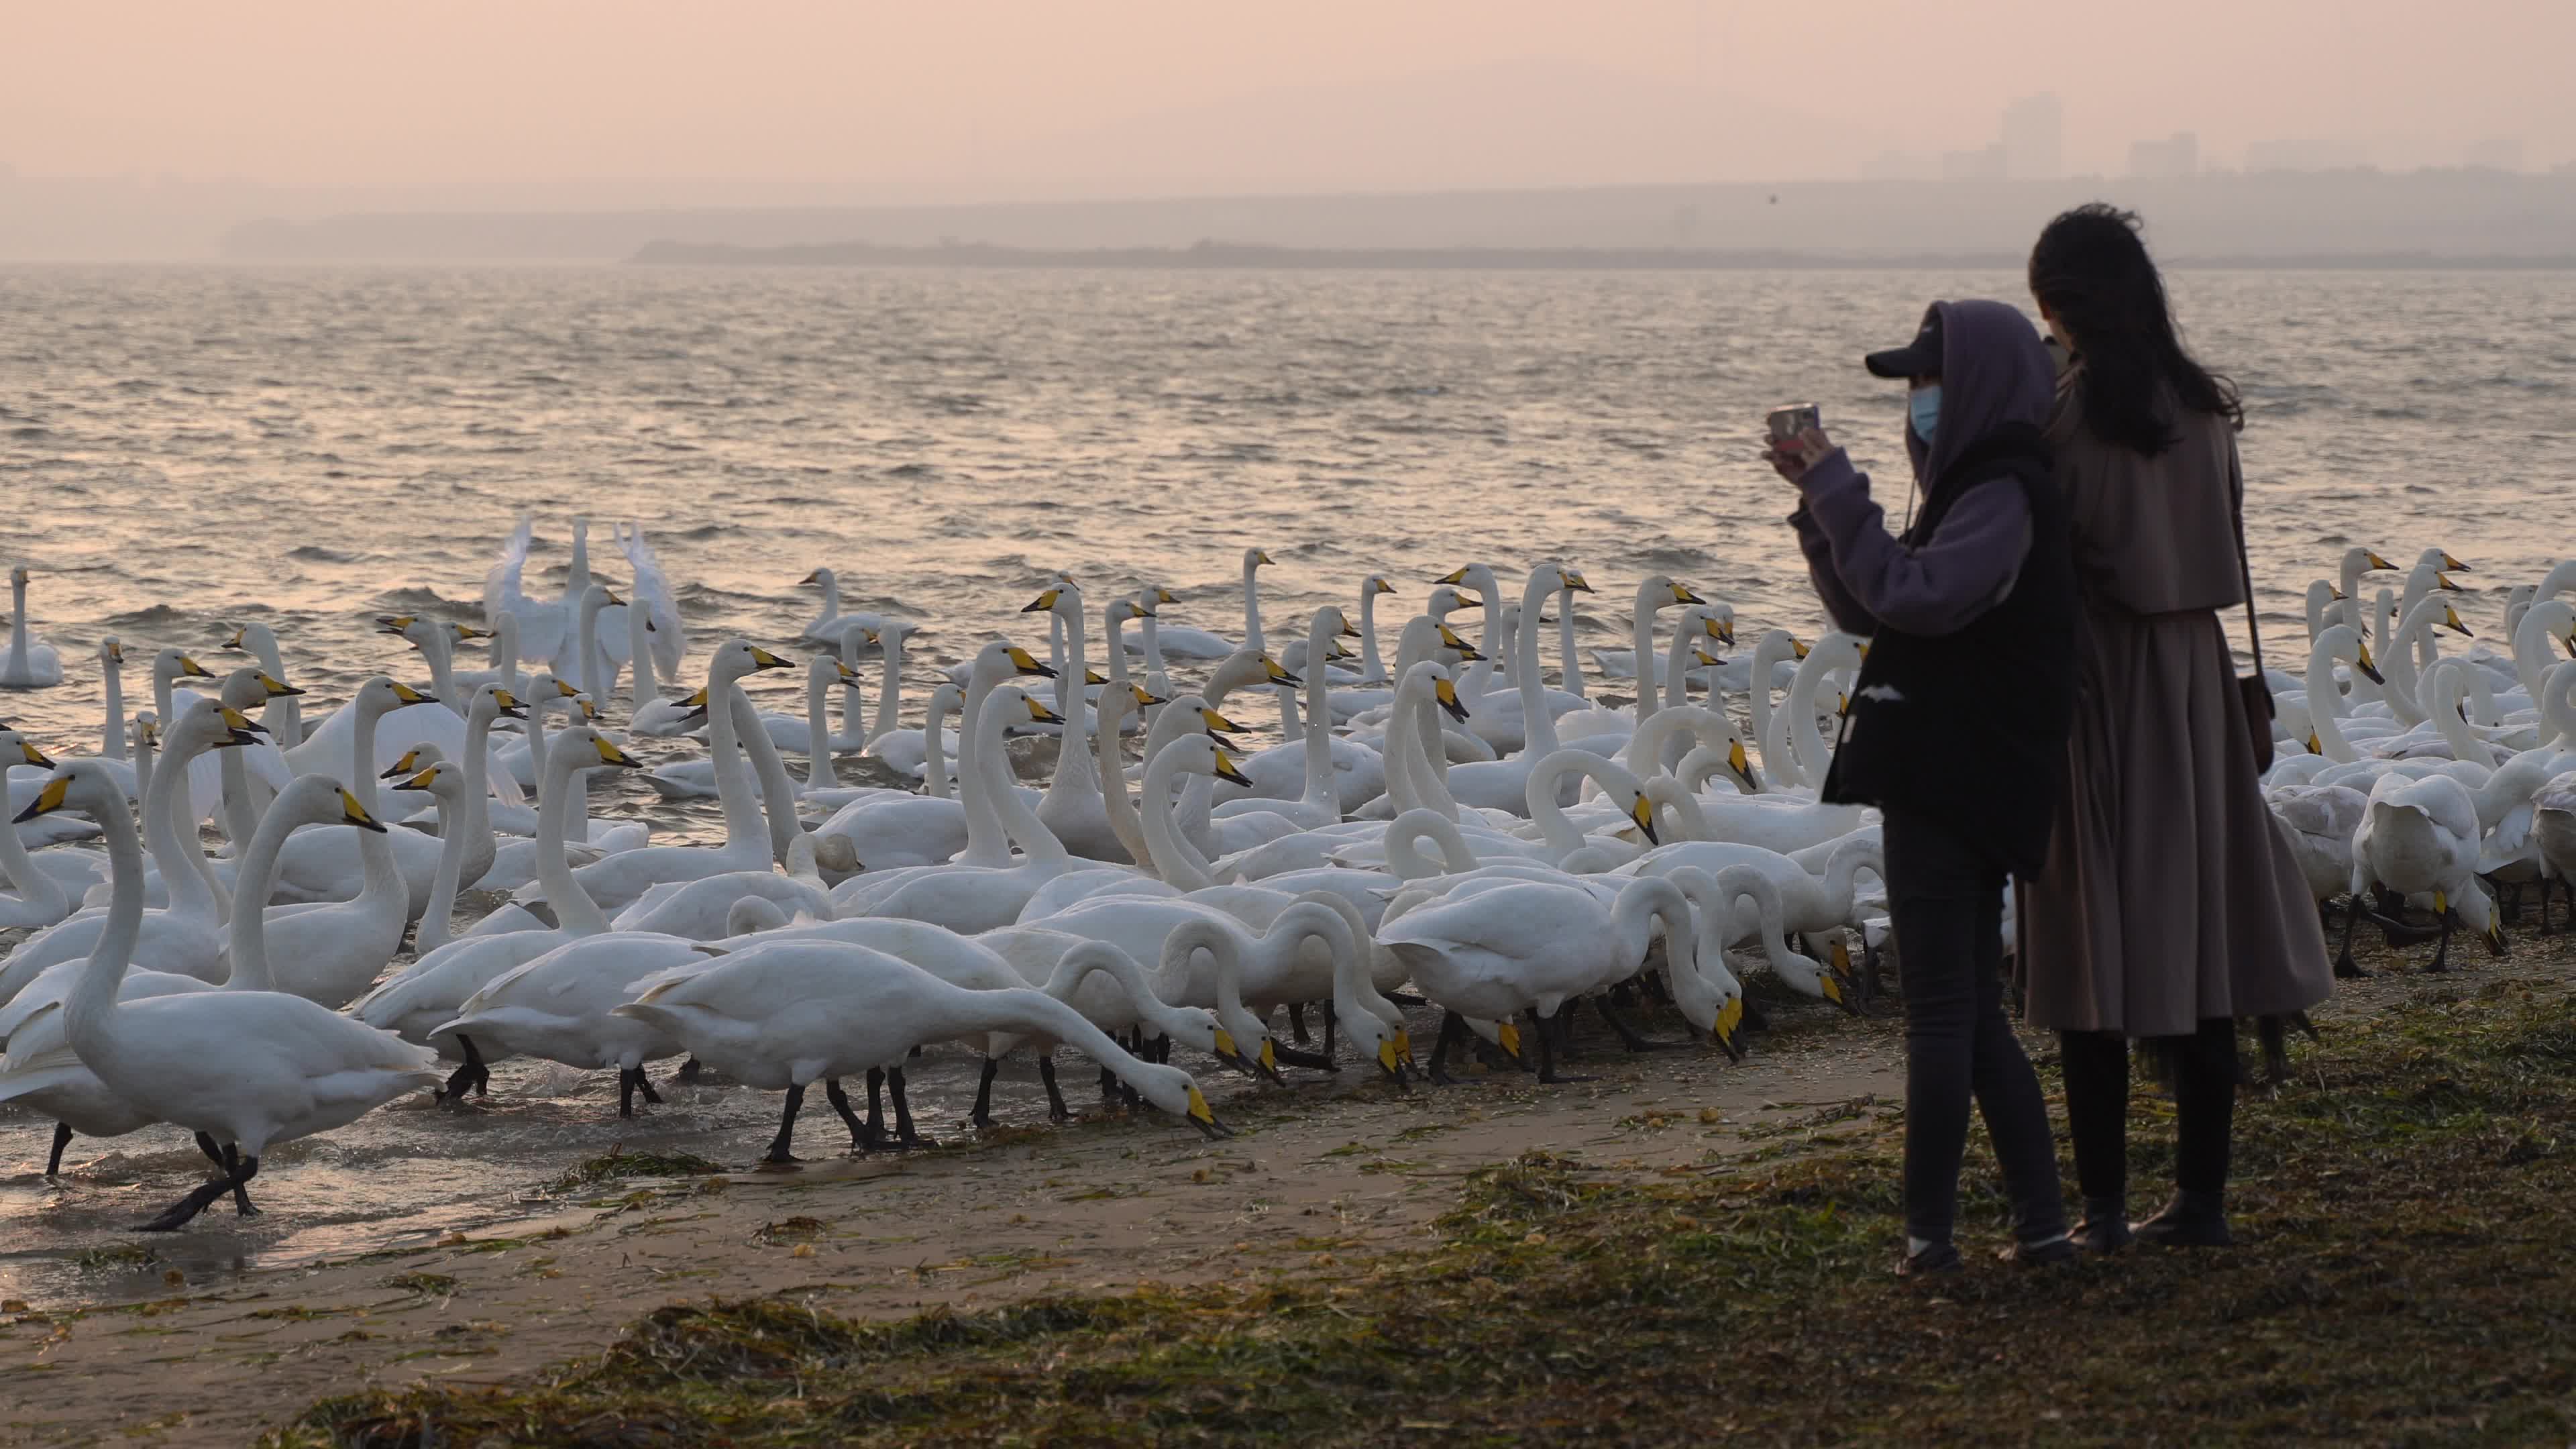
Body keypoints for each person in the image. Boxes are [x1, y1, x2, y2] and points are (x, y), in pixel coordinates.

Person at [2019, 204, 2333, 1251]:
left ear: (2060, 304)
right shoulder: (2205, 413)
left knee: (2090, 944)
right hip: (2194, 686)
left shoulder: (2061, 421)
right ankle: (2201, 1198)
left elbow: (2036, 566)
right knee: (2203, 936)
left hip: (2101, 689)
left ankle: (2102, 1209)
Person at [1770, 299, 2081, 1275]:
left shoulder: (2001, 490)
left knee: (1942, 1015)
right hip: (1962, 771)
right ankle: (2039, 1228)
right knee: (1971, 1012)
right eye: (1910, 388)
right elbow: (1878, 609)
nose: (1917, 405)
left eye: (1928, 383)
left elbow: (1917, 598)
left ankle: (1931, 1240)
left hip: (1955, 776)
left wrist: (1840, 487)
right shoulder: (1974, 489)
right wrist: (1822, 515)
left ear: (1980, 385)